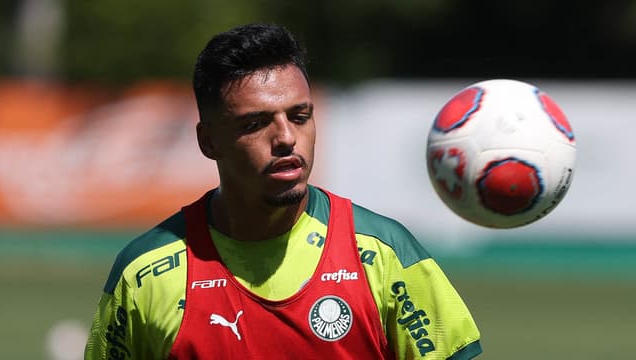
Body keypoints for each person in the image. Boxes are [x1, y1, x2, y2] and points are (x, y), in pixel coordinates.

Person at [84, 23, 482, 359]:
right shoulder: (145, 273)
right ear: (209, 142)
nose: (287, 138)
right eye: (256, 123)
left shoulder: (384, 254)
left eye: (299, 116)